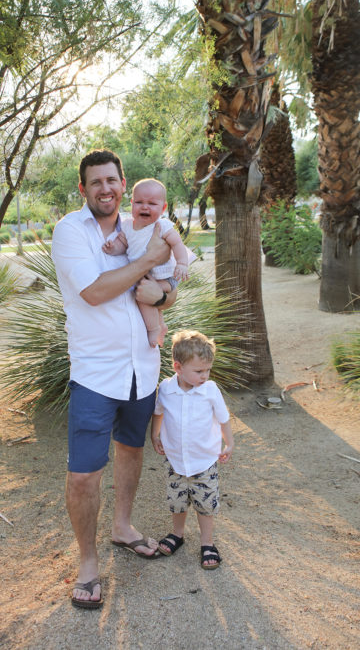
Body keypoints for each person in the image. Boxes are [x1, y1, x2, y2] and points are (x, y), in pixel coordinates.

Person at [52, 149, 176, 610]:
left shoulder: (141, 224)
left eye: (112, 180)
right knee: (84, 473)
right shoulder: (70, 231)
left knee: (132, 450)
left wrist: (162, 293)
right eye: (95, 182)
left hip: (142, 369)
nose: (106, 189)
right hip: (95, 373)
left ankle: (122, 527)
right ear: (83, 189)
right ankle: (87, 562)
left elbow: (168, 289)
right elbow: (96, 291)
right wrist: (150, 265)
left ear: (124, 183)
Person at [151, 330, 234, 570]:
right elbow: (159, 412)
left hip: (204, 461)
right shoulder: (166, 389)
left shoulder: (210, 390)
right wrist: (154, 434)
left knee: (205, 503)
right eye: (199, 371)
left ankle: (207, 543)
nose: (204, 376)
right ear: (178, 367)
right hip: (175, 460)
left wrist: (229, 442)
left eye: (207, 370)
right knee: (177, 500)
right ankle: (177, 534)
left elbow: (223, 418)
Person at [101, 177, 194, 347]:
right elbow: (123, 244)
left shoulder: (162, 226)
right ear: (132, 203)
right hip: (148, 275)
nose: (145, 207)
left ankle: (153, 330)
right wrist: (113, 248)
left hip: (165, 277)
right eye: (139, 202)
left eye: (152, 203)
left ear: (163, 207)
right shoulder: (128, 226)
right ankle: (161, 324)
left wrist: (182, 263)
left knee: (143, 296)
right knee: (146, 293)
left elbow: (177, 243)